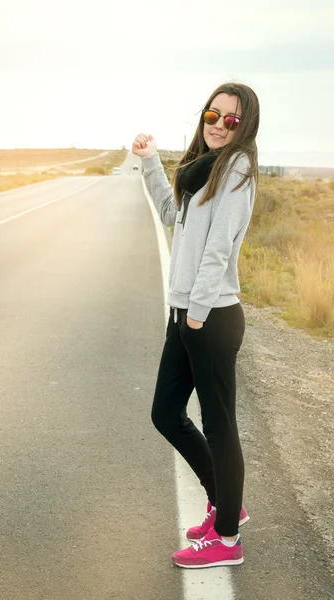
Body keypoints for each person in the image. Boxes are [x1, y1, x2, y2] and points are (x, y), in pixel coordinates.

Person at [131, 82, 260, 569]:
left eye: (231, 119)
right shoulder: (200, 170)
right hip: (187, 314)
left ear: (243, 125)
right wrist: (149, 162)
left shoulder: (238, 170)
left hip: (211, 316)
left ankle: (227, 539)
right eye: (214, 113)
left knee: (220, 426)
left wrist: (198, 314)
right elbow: (170, 214)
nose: (220, 124)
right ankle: (227, 504)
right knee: (166, 413)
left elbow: (218, 250)